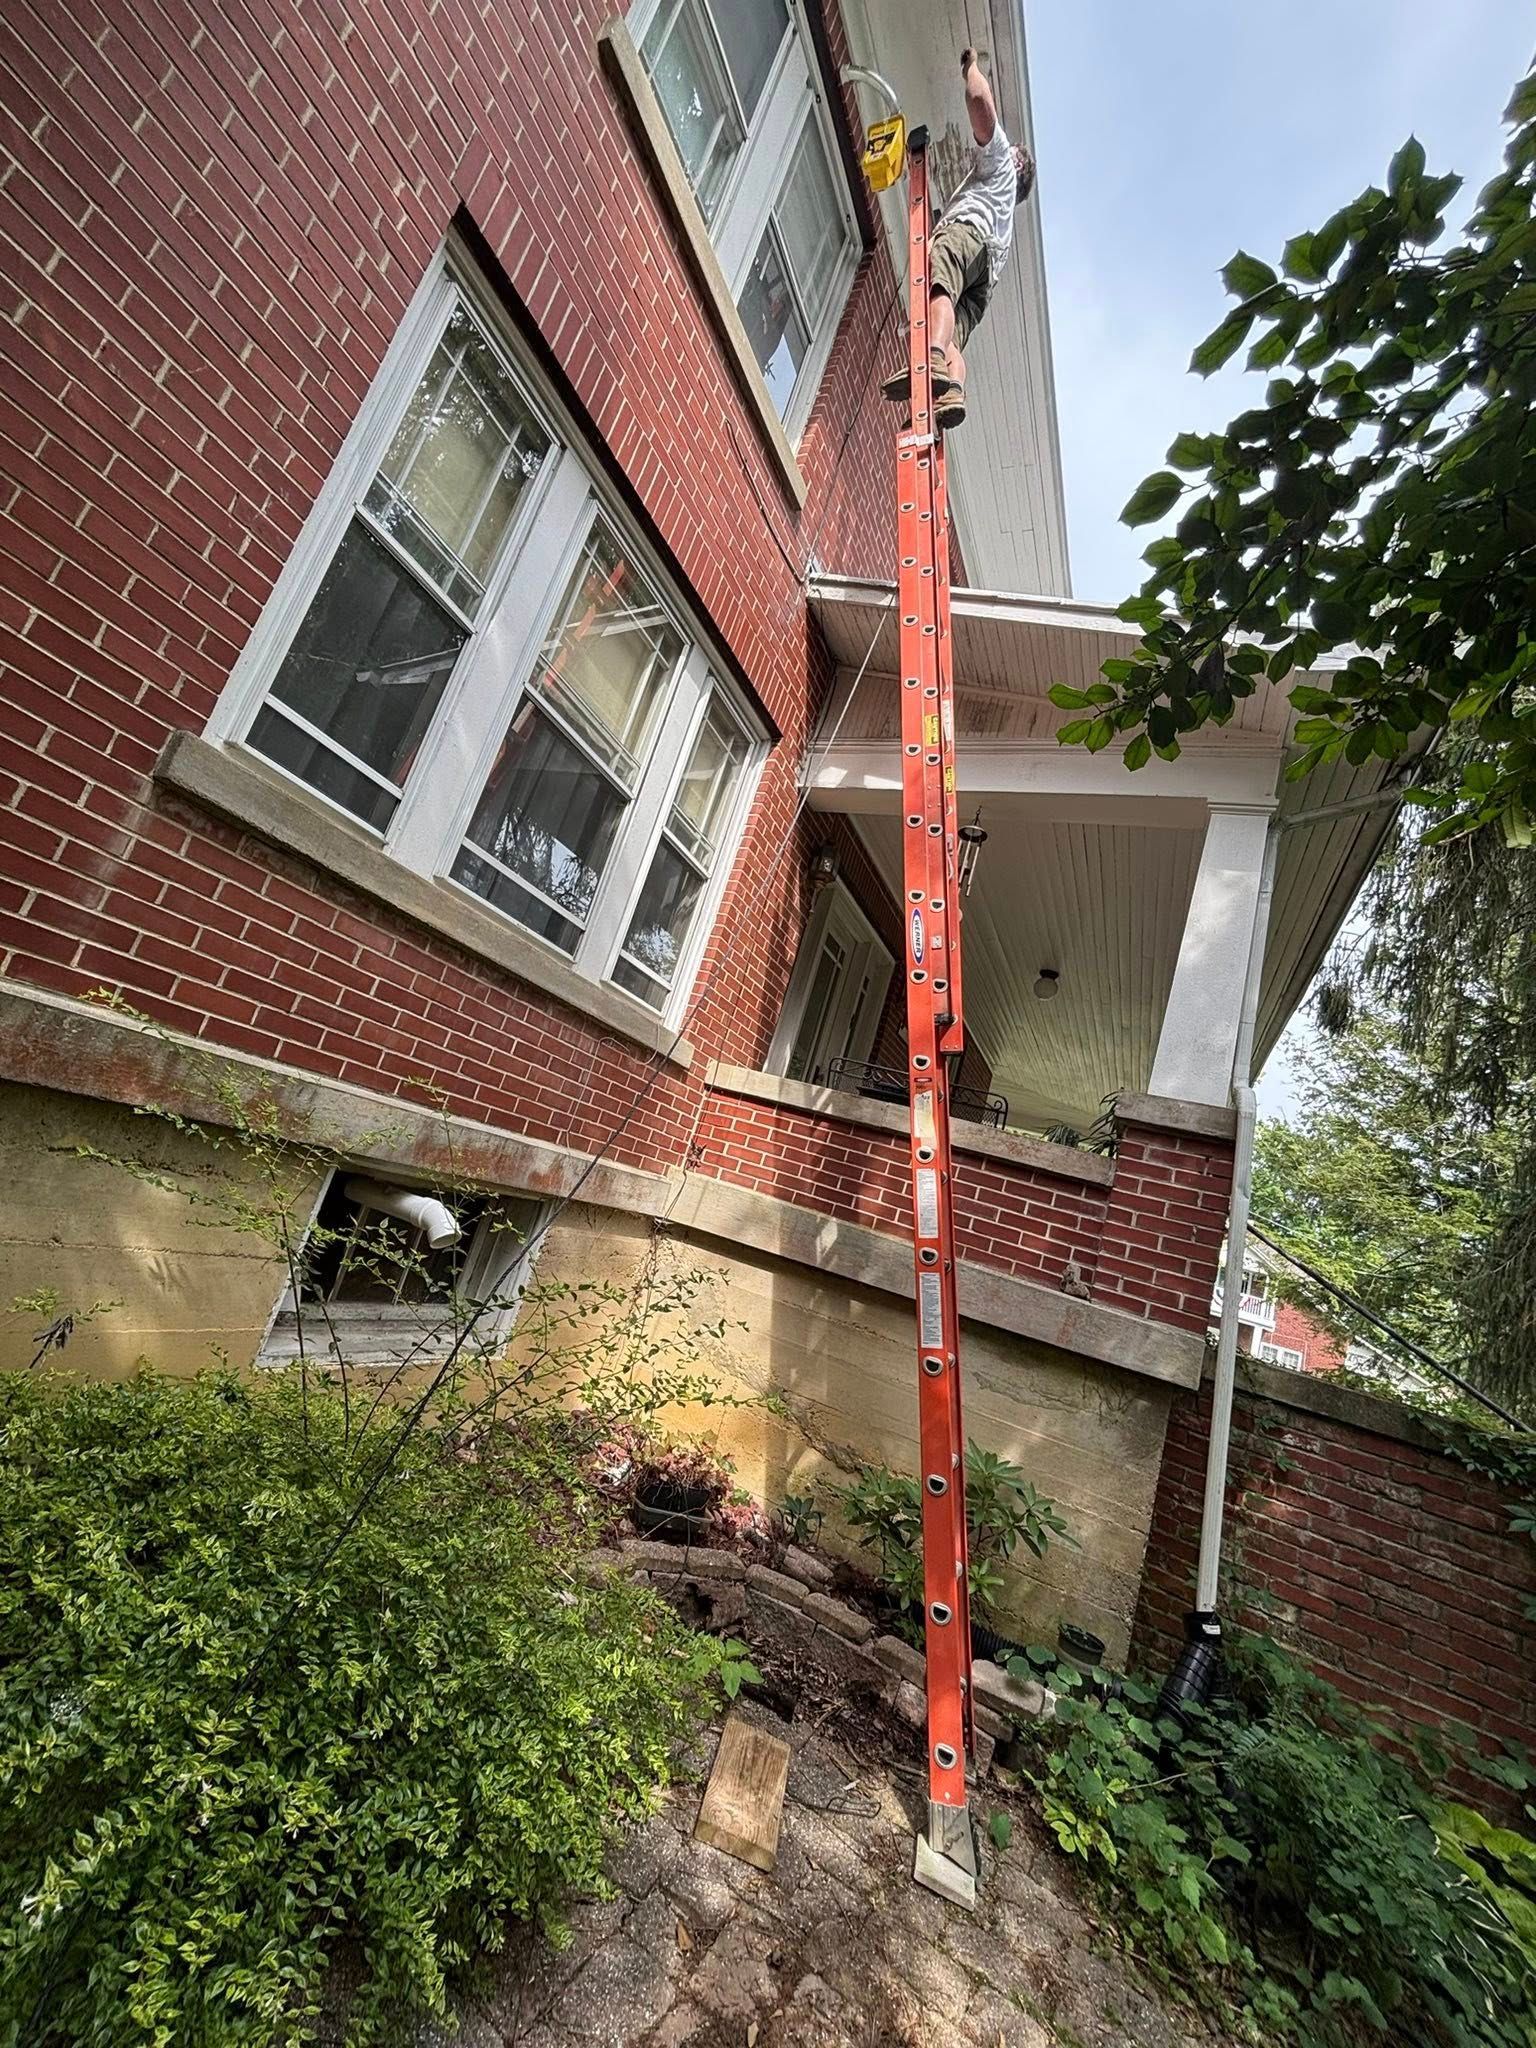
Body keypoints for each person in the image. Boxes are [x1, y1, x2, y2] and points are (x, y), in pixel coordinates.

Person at [884, 49, 1035, 430]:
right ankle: (951, 388)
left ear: (1016, 163)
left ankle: (931, 356)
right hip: (985, 277)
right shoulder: (1005, 219)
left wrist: (971, 67)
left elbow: (980, 102)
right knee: (953, 335)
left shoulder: (1002, 162)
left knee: (940, 288)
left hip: (968, 234)